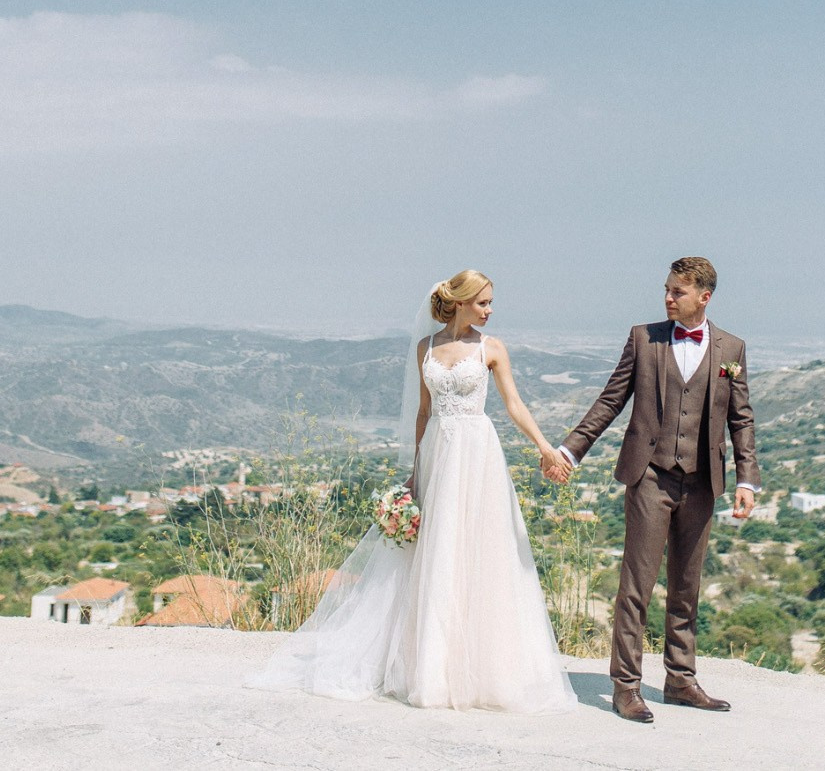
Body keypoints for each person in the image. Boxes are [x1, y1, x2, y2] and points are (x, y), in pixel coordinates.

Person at [249, 270, 576, 712]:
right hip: (438, 453)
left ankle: (483, 668)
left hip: (477, 454)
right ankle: (431, 668)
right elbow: (424, 412)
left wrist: (545, 448)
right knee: (436, 552)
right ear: (460, 302)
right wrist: (416, 471)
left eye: (490, 302)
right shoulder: (426, 347)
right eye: (482, 302)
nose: (489, 310)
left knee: (478, 550)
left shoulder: (492, 348)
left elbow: (514, 404)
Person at [550, 256, 760, 723]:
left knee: (687, 585)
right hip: (650, 476)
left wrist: (747, 478)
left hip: (702, 482)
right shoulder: (643, 339)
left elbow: (741, 418)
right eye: (666, 289)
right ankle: (625, 686)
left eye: (677, 292)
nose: (667, 297)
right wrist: (571, 450)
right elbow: (611, 399)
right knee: (636, 586)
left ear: (704, 297)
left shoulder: (732, 348)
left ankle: (680, 680)